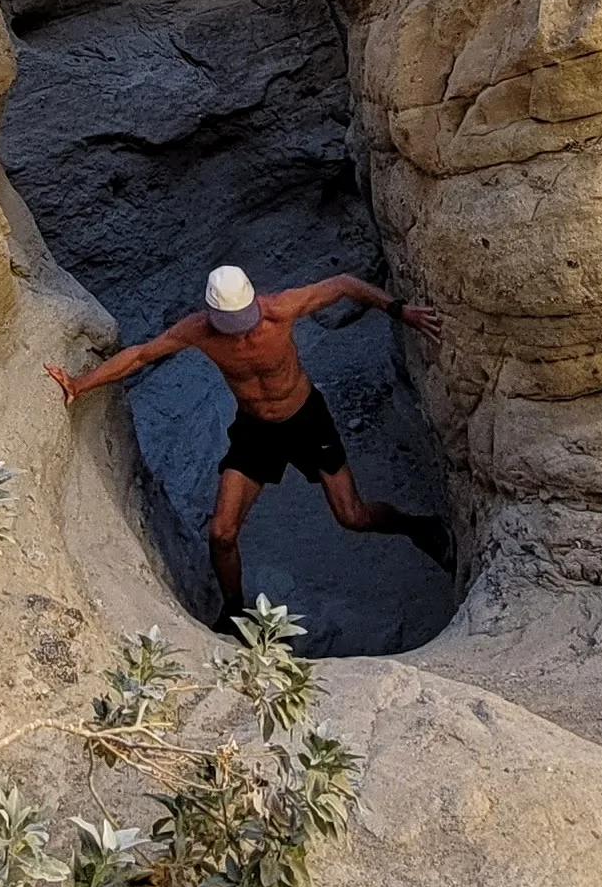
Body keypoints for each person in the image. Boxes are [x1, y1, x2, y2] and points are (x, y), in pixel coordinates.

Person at [46, 263, 453, 627]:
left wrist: (400, 310)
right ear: (212, 315)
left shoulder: (280, 309)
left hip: (307, 420)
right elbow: (139, 356)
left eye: (245, 320)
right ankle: (234, 612)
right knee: (221, 533)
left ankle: (418, 528)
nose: (242, 334)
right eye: (231, 325)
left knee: (353, 516)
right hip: (256, 430)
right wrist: (80, 384)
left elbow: (343, 284)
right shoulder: (198, 330)